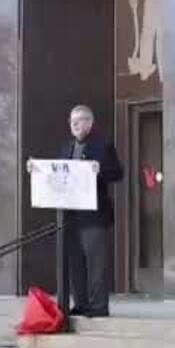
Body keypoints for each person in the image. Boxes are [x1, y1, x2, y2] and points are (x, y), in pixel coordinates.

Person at [59, 104, 124, 317]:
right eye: (72, 121)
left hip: (94, 217)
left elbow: (118, 173)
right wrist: (35, 169)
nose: (75, 124)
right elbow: (57, 174)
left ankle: (98, 306)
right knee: (76, 263)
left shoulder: (103, 146)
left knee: (96, 264)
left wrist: (100, 170)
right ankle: (81, 303)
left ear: (90, 123)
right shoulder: (66, 148)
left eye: (80, 120)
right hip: (71, 216)